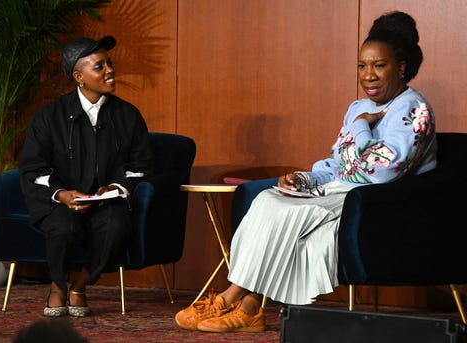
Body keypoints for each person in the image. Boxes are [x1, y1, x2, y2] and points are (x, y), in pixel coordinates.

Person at [175, 11, 436, 332]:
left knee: (290, 214)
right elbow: (340, 161)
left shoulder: (414, 108)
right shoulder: (358, 108)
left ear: (401, 67)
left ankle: (233, 298)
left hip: (377, 201)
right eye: (362, 66)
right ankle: (249, 308)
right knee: (269, 200)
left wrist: (361, 129)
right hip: (343, 189)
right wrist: (307, 178)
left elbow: (382, 172)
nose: (368, 75)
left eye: (379, 66)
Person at [19, 35, 154, 317]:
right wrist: (61, 194)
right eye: (99, 66)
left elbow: (140, 164)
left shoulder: (128, 115)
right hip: (60, 201)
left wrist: (115, 188)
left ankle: (80, 284)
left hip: (107, 202)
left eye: (110, 63)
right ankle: (57, 286)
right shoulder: (48, 117)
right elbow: (33, 169)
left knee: (116, 225)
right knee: (65, 227)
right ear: (79, 76)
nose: (109, 70)